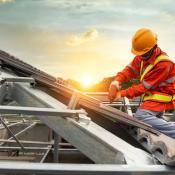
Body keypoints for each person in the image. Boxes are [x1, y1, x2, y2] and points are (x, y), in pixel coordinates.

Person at [108, 28, 175, 139]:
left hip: (162, 97)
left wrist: (121, 94)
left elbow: (143, 87)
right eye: (140, 54)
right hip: (152, 97)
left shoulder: (164, 64)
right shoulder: (142, 57)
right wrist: (116, 82)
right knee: (156, 123)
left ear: (154, 47)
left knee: (141, 117)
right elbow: (129, 70)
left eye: (143, 53)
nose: (141, 56)